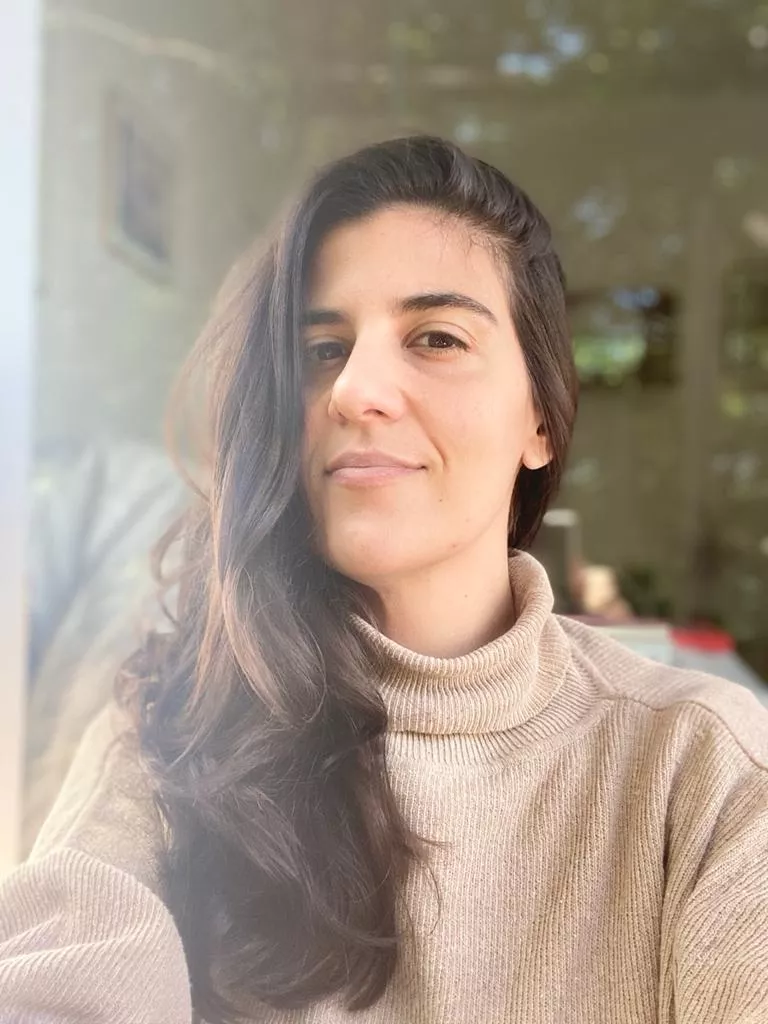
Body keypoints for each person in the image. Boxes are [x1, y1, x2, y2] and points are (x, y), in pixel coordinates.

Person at [1, 136, 767, 1024]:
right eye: (323, 349)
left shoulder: (700, 764)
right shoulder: (173, 732)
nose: (354, 389)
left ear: (541, 419)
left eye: (437, 338)